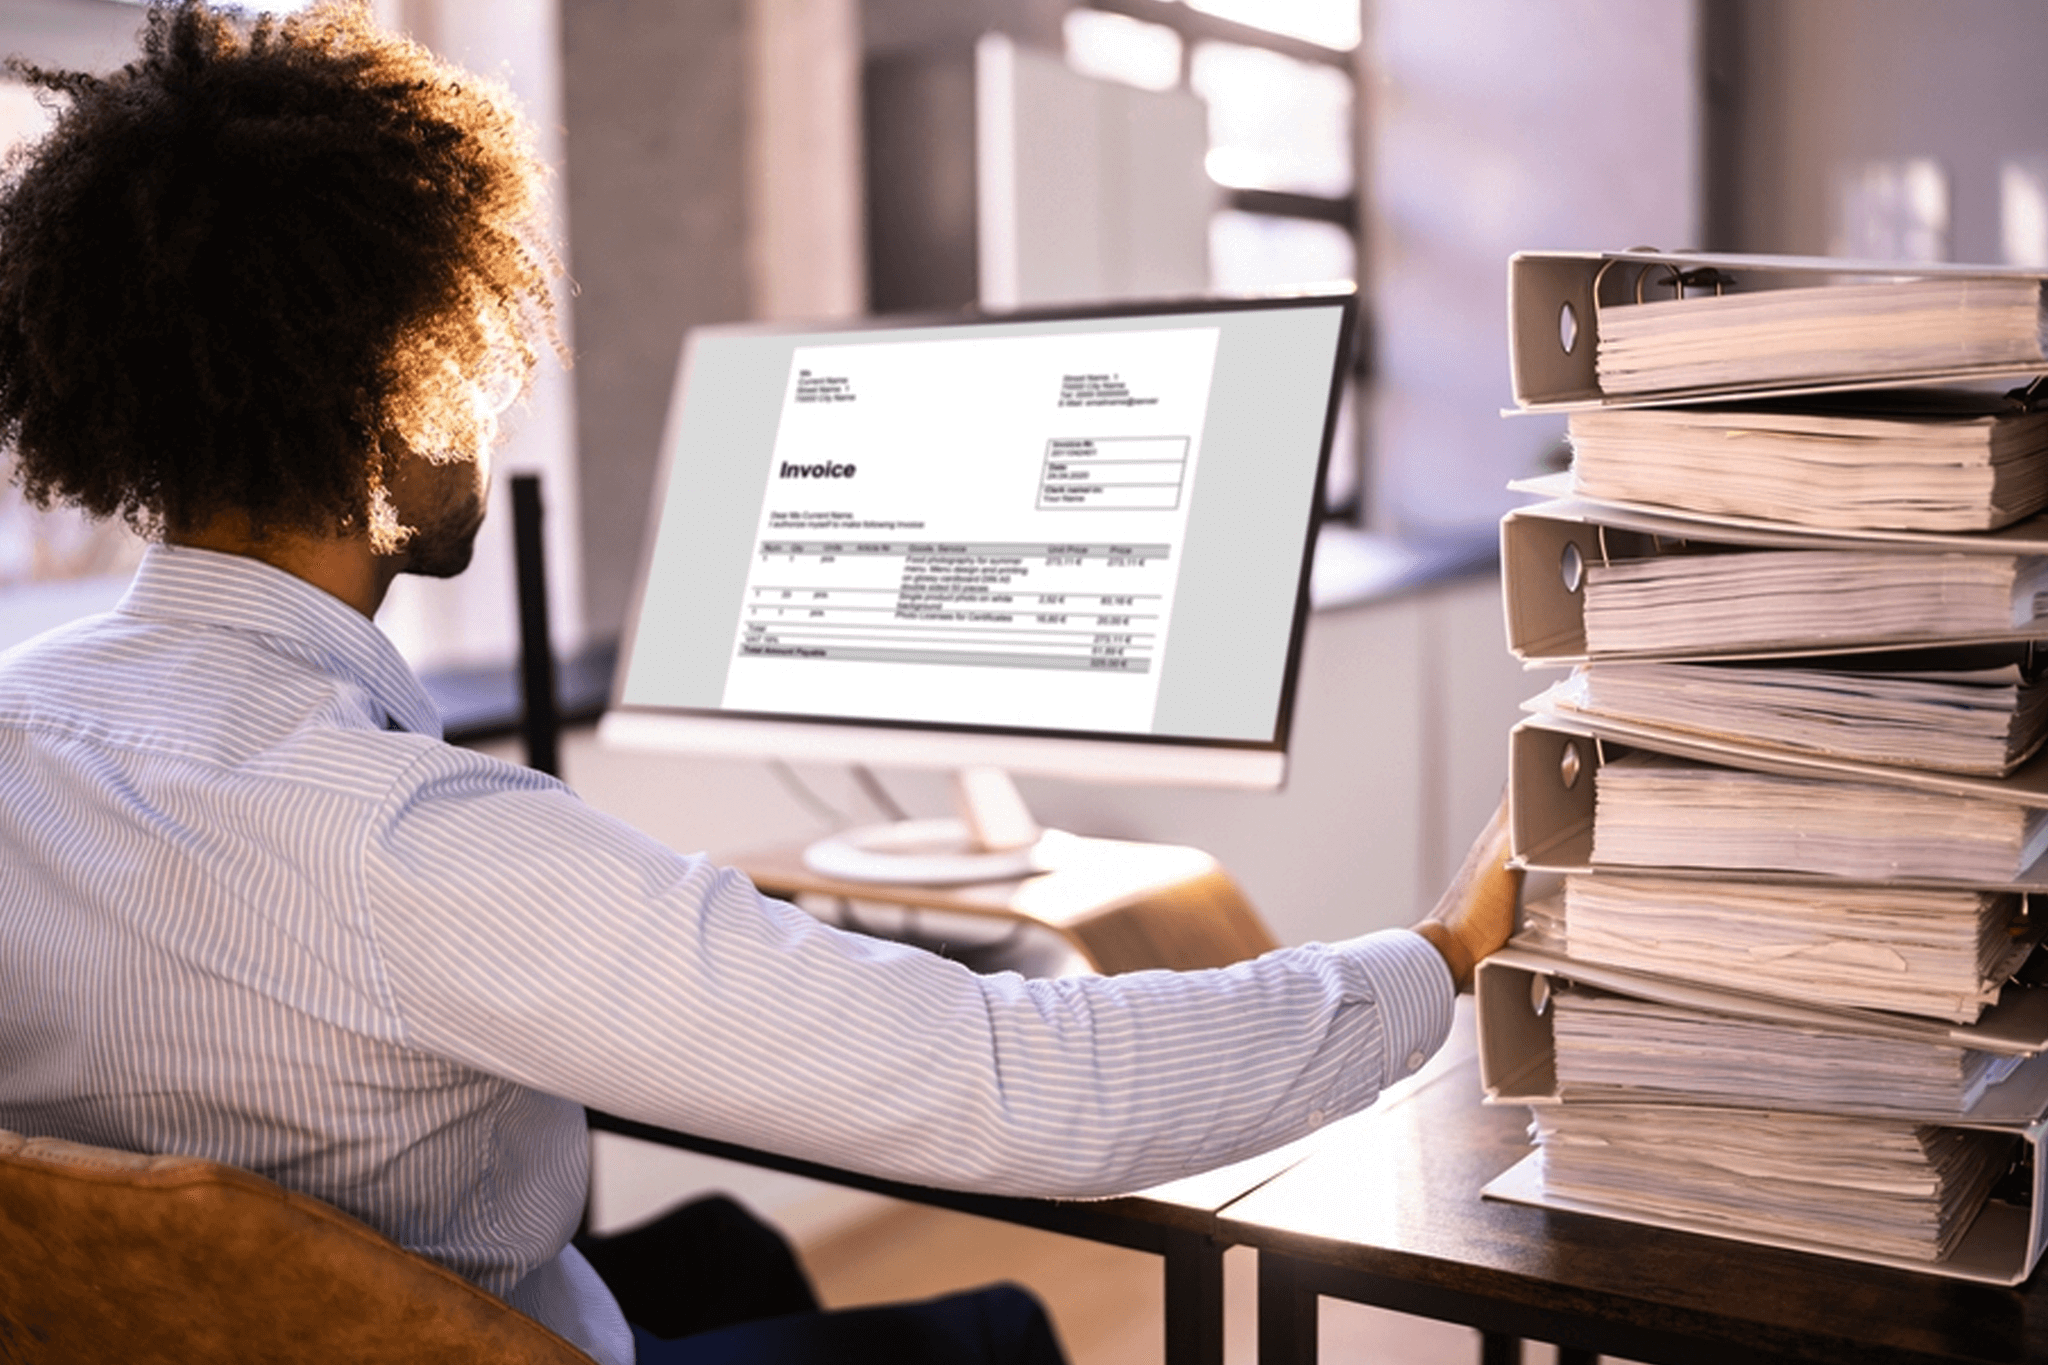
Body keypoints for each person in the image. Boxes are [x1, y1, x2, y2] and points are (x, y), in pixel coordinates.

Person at [0, 4, 1522, 1364]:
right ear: (397, 384)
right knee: (994, 1331)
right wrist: (1441, 957)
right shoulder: (406, 845)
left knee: (730, 1245)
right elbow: (1022, 1087)